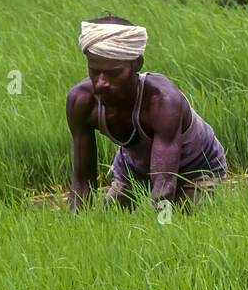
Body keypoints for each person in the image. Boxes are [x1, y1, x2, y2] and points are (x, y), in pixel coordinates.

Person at [66, 16, 226, 211]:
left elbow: (164, 185)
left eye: (113, 73)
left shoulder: (163, 101)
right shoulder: (82, 101)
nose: (101, 83)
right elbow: (83, 179)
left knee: (185, 220)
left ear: (137, 65)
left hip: (196, 169)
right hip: (133, 171)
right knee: (109, 221)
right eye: (94, 71)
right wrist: (79, 225)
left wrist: (163, 230)